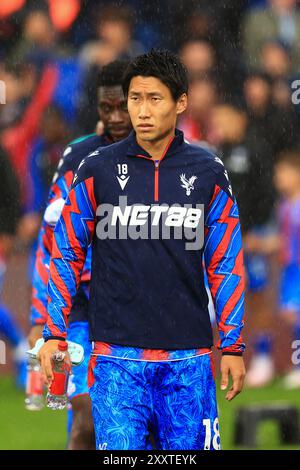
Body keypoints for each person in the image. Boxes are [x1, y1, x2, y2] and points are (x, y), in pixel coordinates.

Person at [38, 49, 246, 451]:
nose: (142, 111)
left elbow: (226, 262)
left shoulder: (208, 171)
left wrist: (233, 346)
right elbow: (65, 253)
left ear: (180, 102)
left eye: (154, 99)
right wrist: (53, 332)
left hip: (188, 360)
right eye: (135, 99)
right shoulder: (95, 168)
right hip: (116, 360)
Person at [28, 60, 132, 449]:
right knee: (84, 415)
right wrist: (41, 316)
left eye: (124, 106)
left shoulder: (162, 160)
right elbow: (49, 240)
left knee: (132, 425)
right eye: (108, 108)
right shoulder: (77, 158)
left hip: (136, 308)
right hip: (81, 308)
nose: (117, 117)